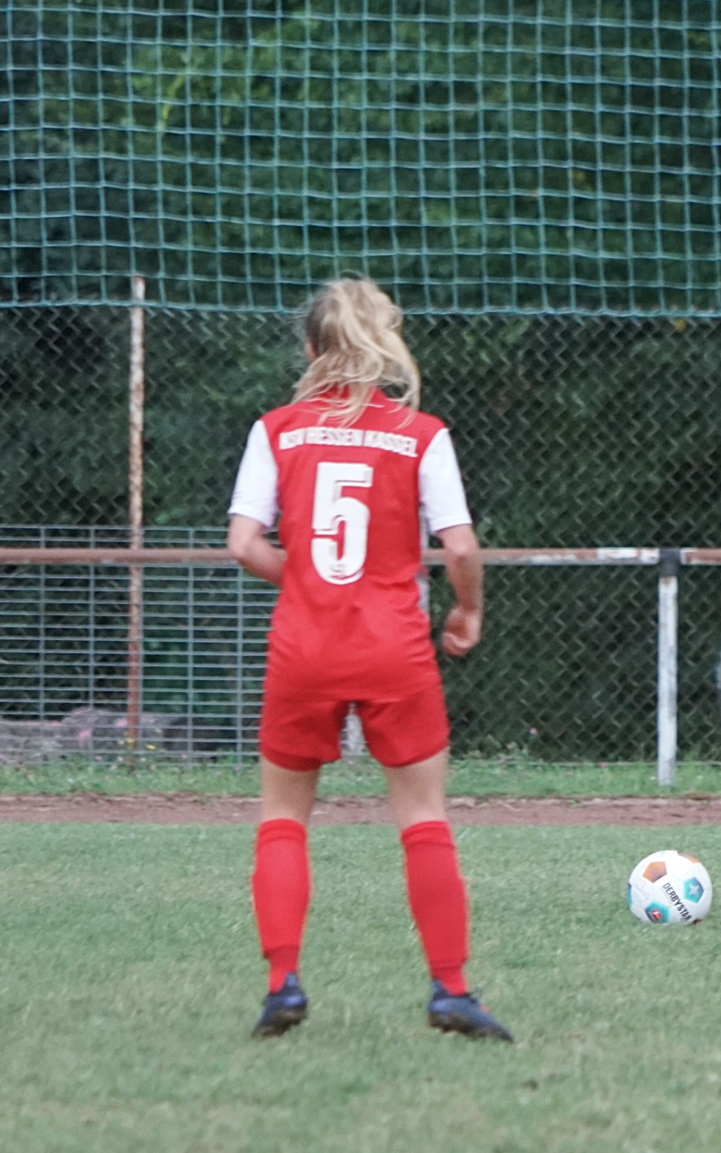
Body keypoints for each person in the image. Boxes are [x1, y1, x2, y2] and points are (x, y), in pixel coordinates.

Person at [226, 276, 511, 1041]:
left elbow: (244, 543)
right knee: (423, 818)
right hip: (393, 646)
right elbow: (460, 546)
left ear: (310, 347)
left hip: (304, 647)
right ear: (384, 345)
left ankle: (282, 985)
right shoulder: (421, 434)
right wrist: (467, 609)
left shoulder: (276, 430)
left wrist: (309, 580)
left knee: (283, 818)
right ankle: (451, 989)